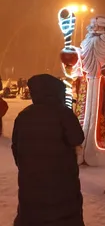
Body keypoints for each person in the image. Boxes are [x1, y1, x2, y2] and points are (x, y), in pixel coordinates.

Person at [60, 16, 105, 166]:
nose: (95, 30)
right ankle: (80, 148)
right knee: (82, 120)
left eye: (99, 27)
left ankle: (102, 151)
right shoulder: (85, 44)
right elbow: (78, 69)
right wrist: (71, 61)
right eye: (93, 27)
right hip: (86, 91)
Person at [11, 74, 85, 226]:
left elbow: (16, 149)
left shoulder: (23, 116)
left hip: (31, 183)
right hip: (62, 182)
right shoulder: (63, 113)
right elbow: (77, 138)